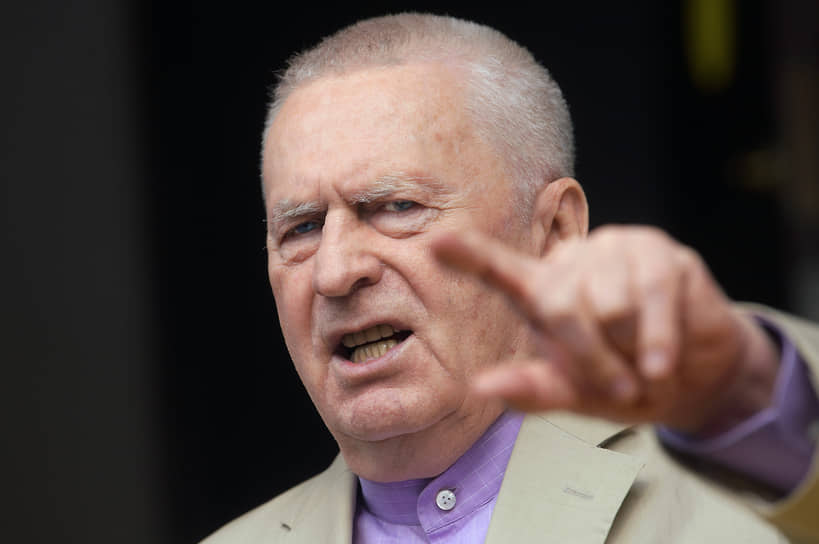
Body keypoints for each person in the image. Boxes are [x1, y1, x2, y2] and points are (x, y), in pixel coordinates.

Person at [202, 13, 819, 543]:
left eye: (396, 207)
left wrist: (748, 389)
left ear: (554, 233)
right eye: (303, 228)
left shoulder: (750, 487)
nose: (335, 272)